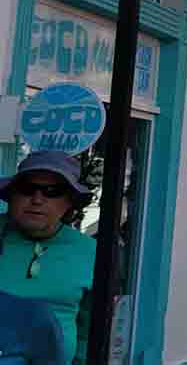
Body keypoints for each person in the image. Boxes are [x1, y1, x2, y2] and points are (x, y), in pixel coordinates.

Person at [0, 152, 96, 365]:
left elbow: (91, 330)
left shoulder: (91, 252)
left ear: (68, 202)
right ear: (12, 196)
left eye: (52, 192)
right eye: (27, 189)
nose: (37, 199)